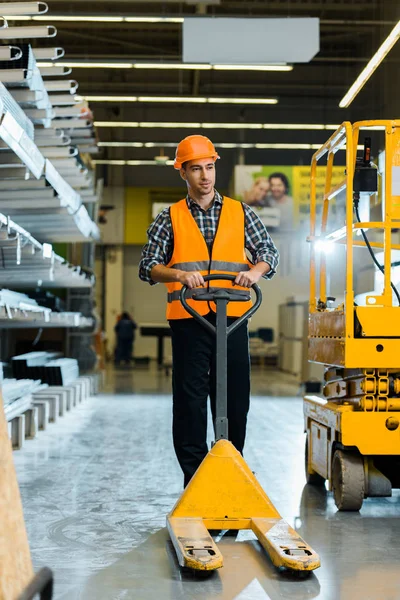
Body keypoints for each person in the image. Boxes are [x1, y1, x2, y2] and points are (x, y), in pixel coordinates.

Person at [139, 135, 279, 487]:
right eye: (197, 169)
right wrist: (179, 274)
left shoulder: (241, 211)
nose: (205, 176)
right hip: (189, 322)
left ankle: (229, 474)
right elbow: (148, 266)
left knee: (234, 400)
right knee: (190, 402)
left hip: (232, 321)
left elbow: (269, 253)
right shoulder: (168, 218)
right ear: (182, 173)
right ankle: (196, 480)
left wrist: (254, 271)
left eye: (210, 167)